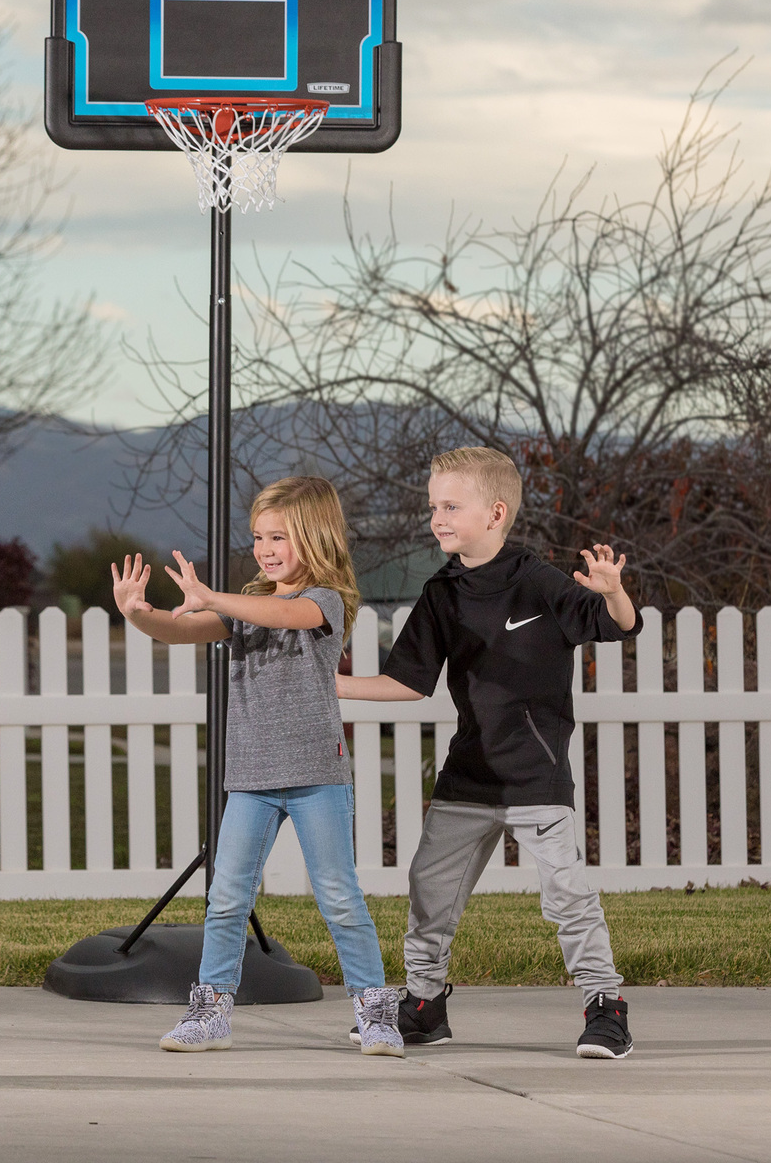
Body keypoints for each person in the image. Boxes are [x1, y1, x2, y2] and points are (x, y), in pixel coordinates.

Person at [338, 446, 639, 1059]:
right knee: (429, 888)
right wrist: (332, 686)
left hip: (536, 775)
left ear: (495, 512)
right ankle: (423, 1004)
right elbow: (408, 682)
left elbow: (616, 626)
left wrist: (613, 593)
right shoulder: (442, 593)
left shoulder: (539, 581)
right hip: (467, 778)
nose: (436, 518)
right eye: (432, 507)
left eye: (451, 506)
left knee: (566, 895)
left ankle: (605, 1006)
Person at [111, 476, 403, 1057]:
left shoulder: (323, 600)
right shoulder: (246, 605)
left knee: (339, 896)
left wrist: (215, 597)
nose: (265, 548)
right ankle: (211, 1010)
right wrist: (139, 614)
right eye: (258, 537)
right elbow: (183, 628)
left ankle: (375, 1012)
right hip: (250, 780)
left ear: (315, 537)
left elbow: (286, 615)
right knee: (227, 898)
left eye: (279, 537)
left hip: (317, 775)